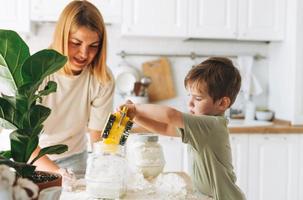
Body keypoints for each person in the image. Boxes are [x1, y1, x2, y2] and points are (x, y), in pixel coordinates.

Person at [120, 57, 246, 200]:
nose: (190, 103)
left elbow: (170, 116)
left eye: (198, 99)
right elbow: (166, 127)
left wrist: (136, 108)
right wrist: (135, 116)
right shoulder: (199, 126)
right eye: (190, 96)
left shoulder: (211, 125)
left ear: (223, 103)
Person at [30, 0, 115, 179]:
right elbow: (25, 141)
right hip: (33, 160)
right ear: (62, 37)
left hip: (75, 159)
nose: (84, 54)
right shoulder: (36, 72)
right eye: (76, 43)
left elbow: (97, 134)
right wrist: (57, 172)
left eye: (93, 46)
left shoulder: (102, 79)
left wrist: (104, 168)